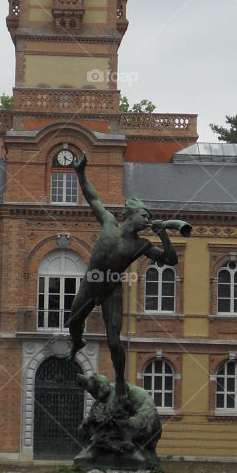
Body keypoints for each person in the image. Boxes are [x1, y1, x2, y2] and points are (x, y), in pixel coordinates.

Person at [67, 151, 180, 399]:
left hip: (111, 291)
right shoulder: (108, 222)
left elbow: (170, 260)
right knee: (73, 322)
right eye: (144, 215)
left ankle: (119, 381)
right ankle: (77, 343)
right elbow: (92, 196)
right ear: (130, 215)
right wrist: (80, 172)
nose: (147, 220)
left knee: (114, 340)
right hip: (90, 284)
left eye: (149, 217)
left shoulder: (141, 245)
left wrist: (163, 234)